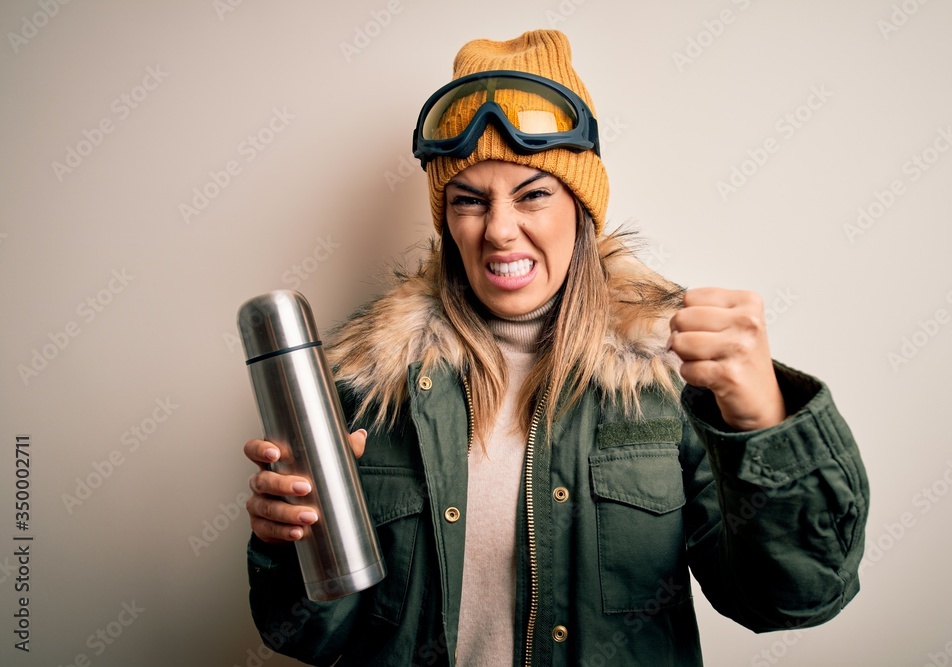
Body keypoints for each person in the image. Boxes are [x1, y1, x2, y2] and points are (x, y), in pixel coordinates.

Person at [243, 29, 869, 666]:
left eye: (534, 194)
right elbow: (305, 635)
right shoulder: (371, 385)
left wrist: (764, 421)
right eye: (468, 201)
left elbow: (793, 598)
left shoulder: (670, 377)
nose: (499, 230)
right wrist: (289, 545)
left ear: (580, 205)